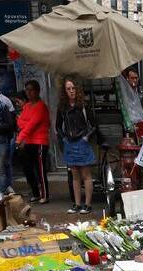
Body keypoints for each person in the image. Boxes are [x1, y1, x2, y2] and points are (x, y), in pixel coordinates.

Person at [57, 77, 99, 214]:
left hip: (82, 142)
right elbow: (58, 126)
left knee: (86, 175)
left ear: (77, 89)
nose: (71, 91)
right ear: (64, 91)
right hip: (70, 143)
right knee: (75, 176)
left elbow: (94, 125)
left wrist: (86, 137)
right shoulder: (62, 108)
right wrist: (64, 138)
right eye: (68, 89)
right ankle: (77, 204)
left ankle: (87, 204)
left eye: (73, 88)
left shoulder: (84, 106)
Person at [15, 79, 51, 204]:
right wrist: (26, 124)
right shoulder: (27, 106)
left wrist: (20, 138)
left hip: (40, 142)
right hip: (28, 142)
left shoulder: (41, 106)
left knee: (40, 170)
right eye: (27, 90)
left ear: (37, 91)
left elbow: (32, 124)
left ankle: (44, 194)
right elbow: (20, 121)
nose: (29, 93)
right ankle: (35, 192)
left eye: (31, 90)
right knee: (28, 169)